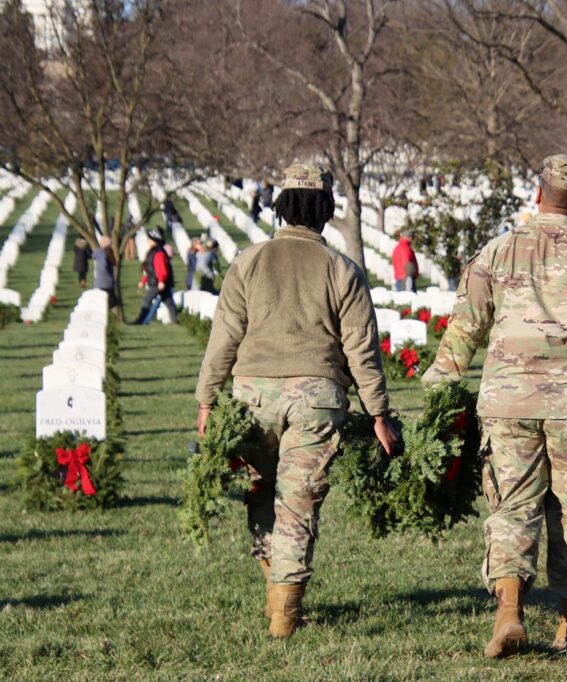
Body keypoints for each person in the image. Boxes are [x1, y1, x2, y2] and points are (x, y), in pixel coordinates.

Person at [423, 154, 567, 658]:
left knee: (512, 506)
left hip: (507, 403)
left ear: (538, 192)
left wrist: (442, 383)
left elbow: (464, 329)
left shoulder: (497, 252)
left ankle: (509, 613)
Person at [194, 164, 399, 639]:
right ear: (325, 211)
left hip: (252, 395)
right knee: (299, 501)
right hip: (318, 397)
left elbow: (223, 337)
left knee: (264, 489)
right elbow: (361, 350)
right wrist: (379, 414)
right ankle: (285, 612)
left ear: (281, 206)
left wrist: (207, 400)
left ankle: (276, 593)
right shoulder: (342, 270)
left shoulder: (247, 261)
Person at [134, 228, 178, 325]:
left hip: (158, 282)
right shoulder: (154, 252)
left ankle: (141, 320)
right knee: (168, 301)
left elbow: (160, 269)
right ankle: (175, 321)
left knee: (147, 299)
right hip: (159, 281)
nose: (147, 241)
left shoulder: (158, 253)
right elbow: (150, 270)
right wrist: (144, 281)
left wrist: (161, 281)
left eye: (150, 239)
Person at [92, 236, 117, 309]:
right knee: (110, 302)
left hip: (104, 282)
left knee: (109, 302)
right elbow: (103, 267)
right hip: (104, 282)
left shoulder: (104, 253)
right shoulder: (103, 254)